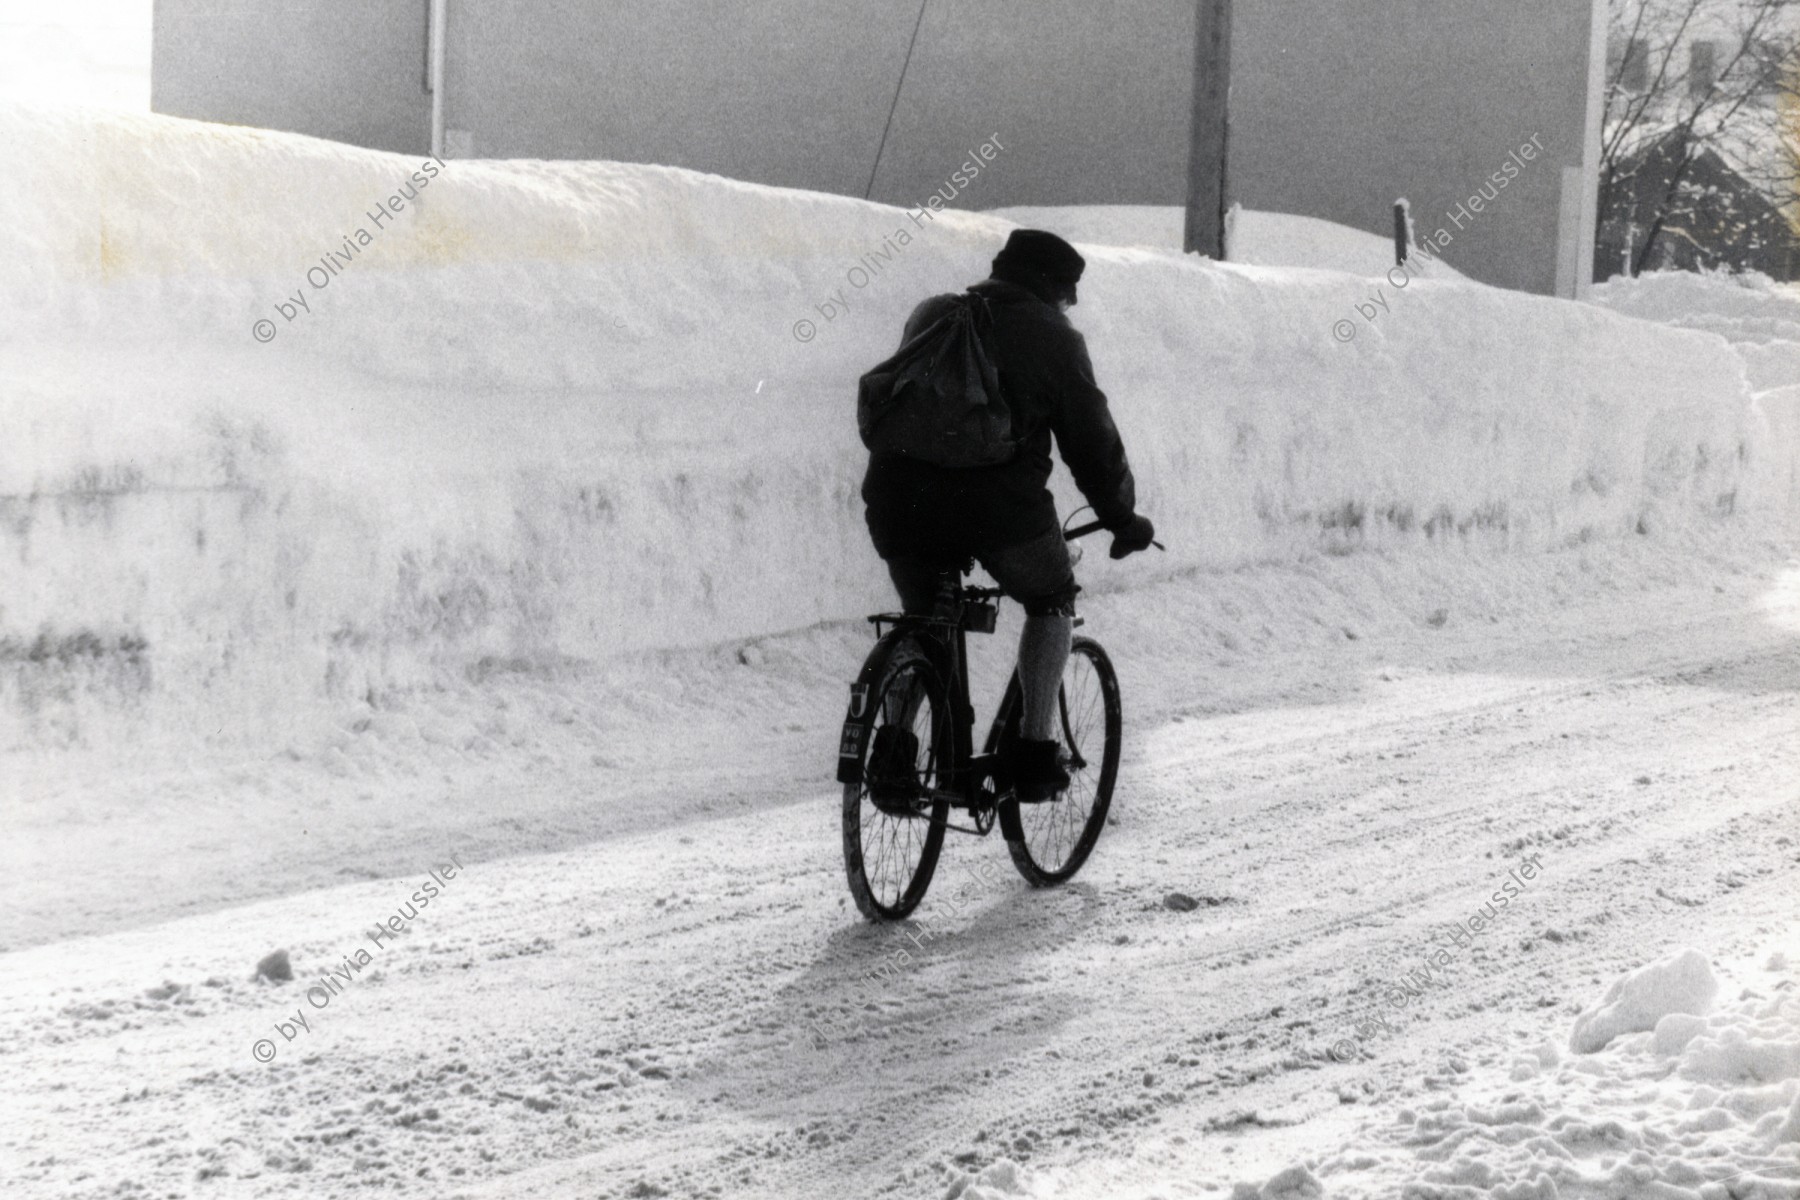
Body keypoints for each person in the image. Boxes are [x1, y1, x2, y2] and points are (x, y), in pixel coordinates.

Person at [861, 228, 1155, 801]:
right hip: (996, 509)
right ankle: (1035, 753)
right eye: (1068, 294)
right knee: (1051, 599)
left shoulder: (934, 313)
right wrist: (1123, 519)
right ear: (1052, 286)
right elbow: (1092, 443)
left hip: (898, 499)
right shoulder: (1053, 337)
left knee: (925, 614)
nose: (1068, 306)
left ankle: (893, 752)